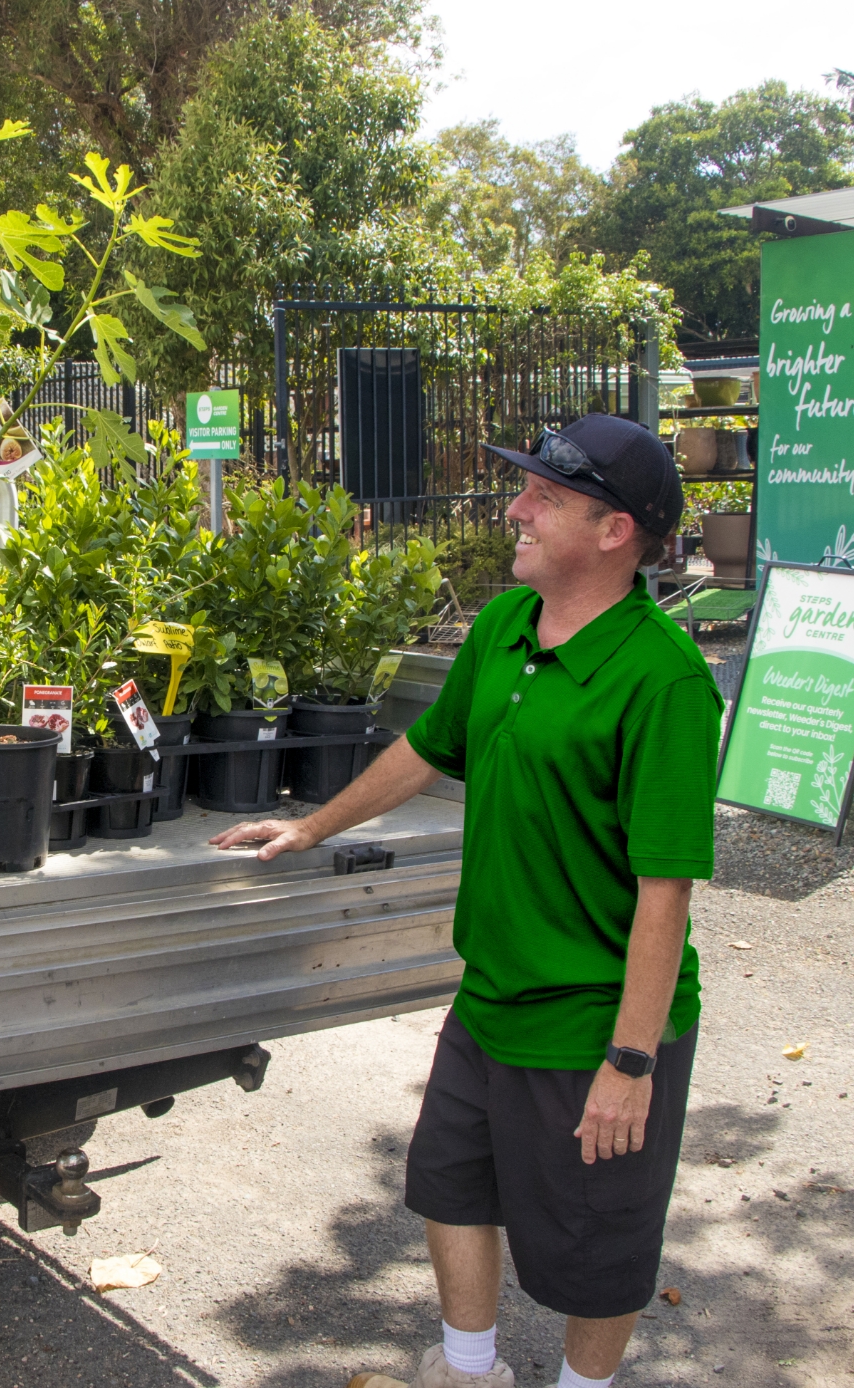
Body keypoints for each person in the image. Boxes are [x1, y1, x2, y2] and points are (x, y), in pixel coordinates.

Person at [211, 414, 721, 1388]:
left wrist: (630, 1060)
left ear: (615, 532)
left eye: (544, 497)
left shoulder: (664, 678)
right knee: (451, 1182)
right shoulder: (502, 626)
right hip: (490, 995)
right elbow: (427, 748)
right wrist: (314, 826)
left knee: (598, 1241)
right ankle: (468, 1369)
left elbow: (666, 894)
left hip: (592, 1022)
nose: (514, 509)